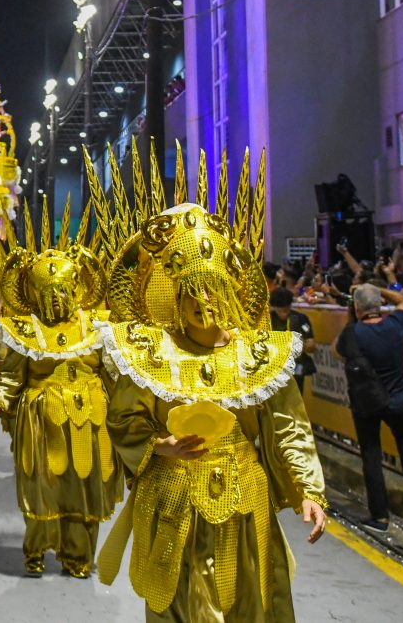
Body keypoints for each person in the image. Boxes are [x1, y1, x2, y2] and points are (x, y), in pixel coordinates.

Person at [98, 191, 327, 621]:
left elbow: (288, 426)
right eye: (191, 294)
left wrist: (307, 491)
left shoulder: (258, 355)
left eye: (212, 293)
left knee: (250, 604)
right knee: (186, 606)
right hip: (174, 502)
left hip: (244, 501)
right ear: (175, 299)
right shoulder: (153, 353)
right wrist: (160, 445)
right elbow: (124, 418)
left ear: (229, 296)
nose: (202, 305)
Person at [0, 203, 121, 578]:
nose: (55, 300)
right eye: (47, 292)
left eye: (62, 290)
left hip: (90, 421)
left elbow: (115, 373)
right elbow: (13, 375)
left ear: (76, 288)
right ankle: (36, 551)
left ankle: (79, 556)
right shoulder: (26, 330)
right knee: (43, 486)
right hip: (40, 423)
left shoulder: (98, 326)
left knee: (83, 489)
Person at [334, 284, 403, 532]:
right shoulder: (395, 324)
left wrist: (350, 317)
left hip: (367, 401)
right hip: (397, 398)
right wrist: (379, 289)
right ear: (380, 305)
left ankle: (380, 516)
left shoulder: (354, 333)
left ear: (356, 307)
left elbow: (338, 353)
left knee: (371, 454)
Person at [268, 287, 316, 392]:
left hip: (295, 367)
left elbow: (311, 346)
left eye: (286, 310)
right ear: (273, 308)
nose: (283, 314)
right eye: (279, 311)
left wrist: (297, 344)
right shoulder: (268, 320)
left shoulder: (300, 319)